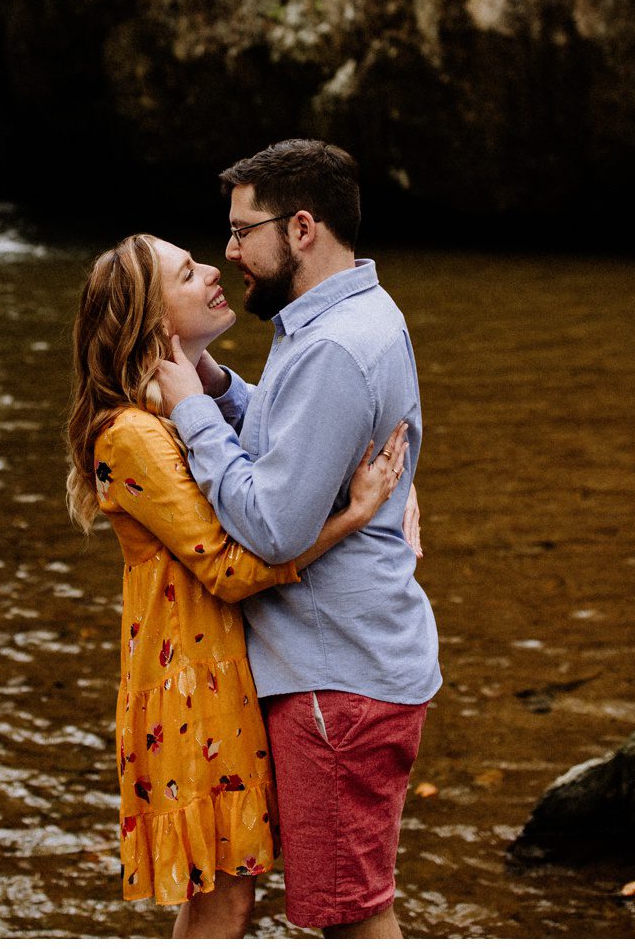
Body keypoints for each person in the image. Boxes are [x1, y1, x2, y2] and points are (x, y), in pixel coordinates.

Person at [66, 233, 411, 937]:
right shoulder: (132, 435)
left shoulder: (174, 415)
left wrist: (397, 490)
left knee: (225, 897)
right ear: (153, 322)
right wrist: (354, 516)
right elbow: (229, 567)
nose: (212, 269)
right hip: (189, 693)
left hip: (223, 681)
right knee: (224, 901)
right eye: (186, 274)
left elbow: (275, 457)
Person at [155, 139, 439, 938]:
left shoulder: (333, 348)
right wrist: (220, 388)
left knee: (349, 917)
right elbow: (298, 440)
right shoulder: (344, 317)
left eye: (243, 231)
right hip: (348, 665)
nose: (230, 251)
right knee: (340, 902)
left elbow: (274, 528)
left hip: (335, 679)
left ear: (302, 229)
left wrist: (191, 414)